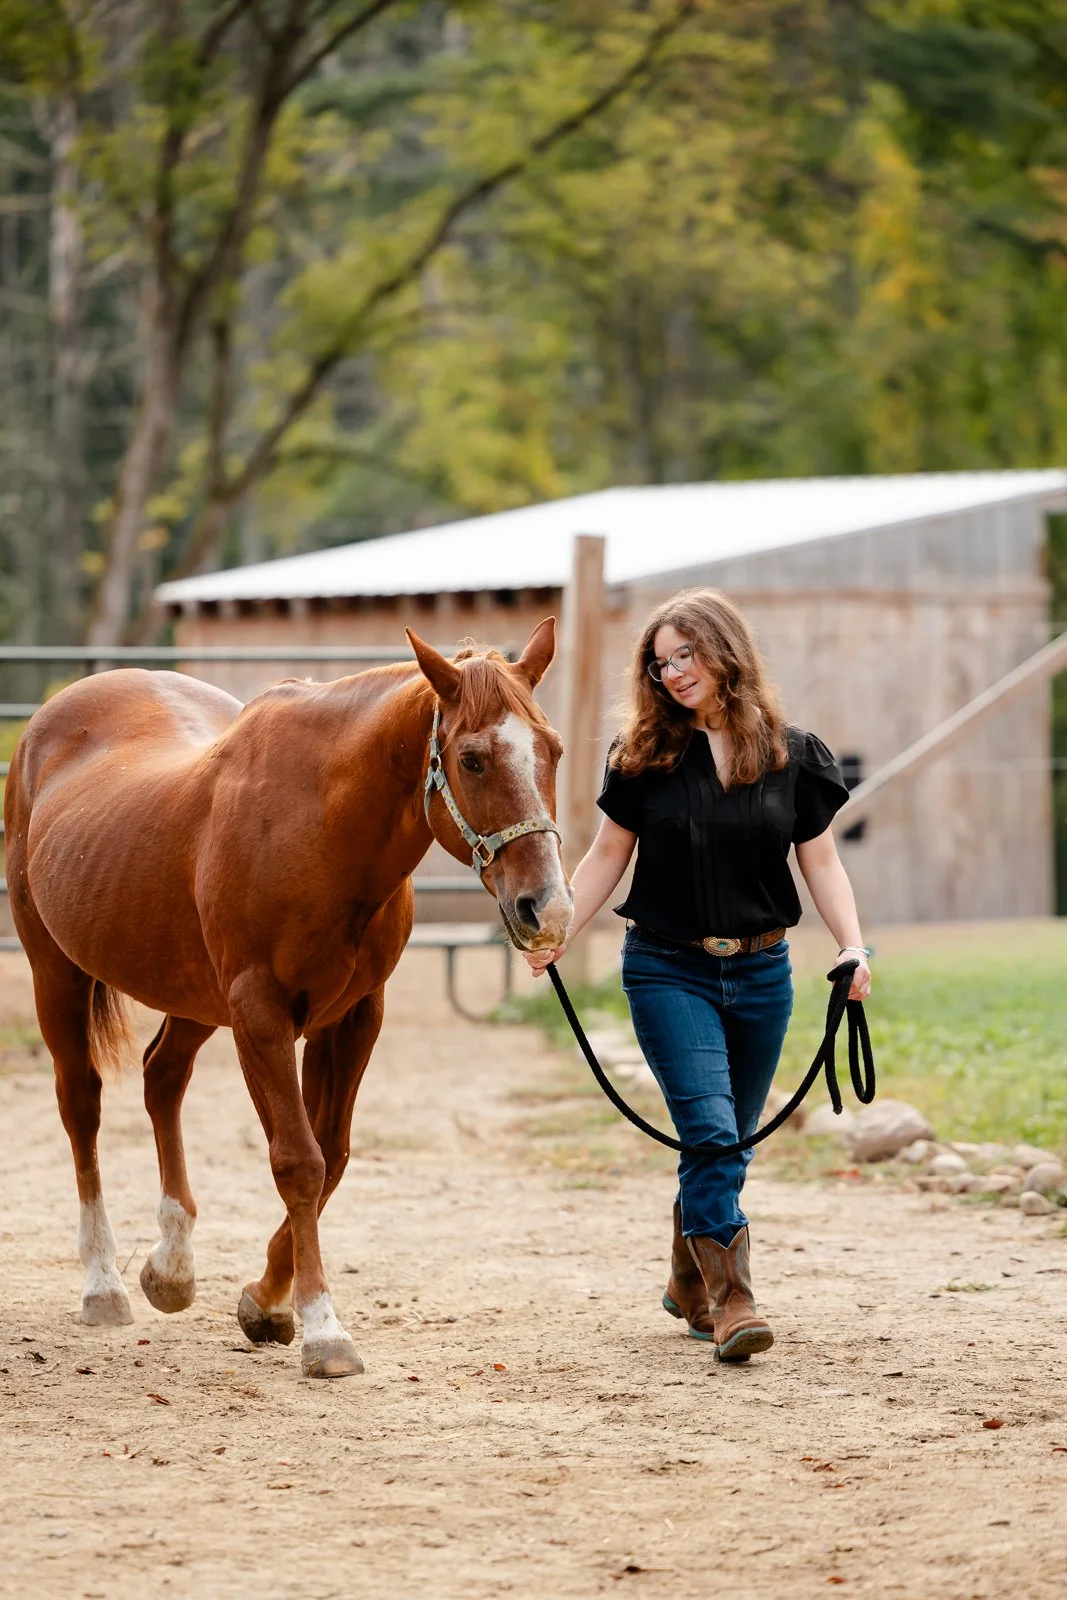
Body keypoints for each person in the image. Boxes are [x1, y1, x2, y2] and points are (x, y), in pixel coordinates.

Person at [524, 588, 871, 1362]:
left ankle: (687, 1273)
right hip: (665, 966)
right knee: (712, 1129)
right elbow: (606, 856)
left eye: (686, 655)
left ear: (725, 653)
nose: (673, 673)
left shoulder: (793, 756)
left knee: (728, 1143)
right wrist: (555, 931)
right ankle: (732, 1300)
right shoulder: (642, 757)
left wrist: (854, 948)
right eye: (659, 663)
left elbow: (820, 862)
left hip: (763, 972)